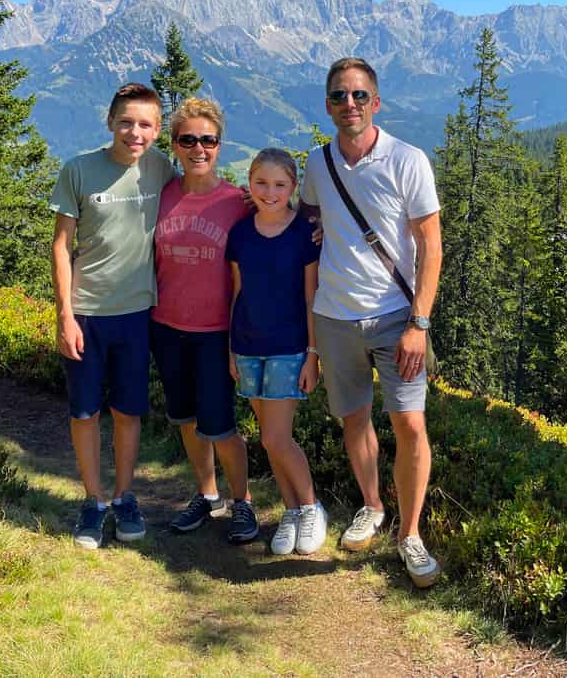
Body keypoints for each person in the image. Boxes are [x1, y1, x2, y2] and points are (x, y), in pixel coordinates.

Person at [299, 56, 444, 588]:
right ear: (328, 105)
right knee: (354, 421)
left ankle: (410, 536)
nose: (350, 105)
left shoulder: (408, 160)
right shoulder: (318, 164)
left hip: (395, 319)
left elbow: (431, 246)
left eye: (359, 95)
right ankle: (372, 506)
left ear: (376, 102)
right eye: (340, 96)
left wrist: (419, 322)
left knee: (410, 424)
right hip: (335, 319)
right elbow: (309, 224)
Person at [50, 82, 175, 550]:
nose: (134, 132)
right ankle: (92, 501)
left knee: (128, 411)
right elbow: (61, 246)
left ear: (158, 130)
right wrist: (65, 316)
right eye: (126, 122)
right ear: (110, 122)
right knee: (85, 412)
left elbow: (202, 192)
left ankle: (124, 497)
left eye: (145, 124)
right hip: (86, 313)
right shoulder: (79, 171)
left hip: (138, 314)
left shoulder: (161, 169)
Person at [151, 97, 258, 544]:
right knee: (185, 419)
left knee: (221, 425)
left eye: (207, 139)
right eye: (188, 139)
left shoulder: (238, 203)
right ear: (174, 144)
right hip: (166, 326)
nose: (198, 148)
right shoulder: (162, 196)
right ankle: (206, 493)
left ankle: (244, 501)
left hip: (216, 334)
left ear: (219, 144)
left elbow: (276, 231)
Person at [226, 148, 326, 555]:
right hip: (247, 347)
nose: (270, 192)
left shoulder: (304, 234)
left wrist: (313, 353)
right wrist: (231, 349)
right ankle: (290, 511)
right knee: (269, 441)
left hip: (289, 348)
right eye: (261, 183)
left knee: (276, 437)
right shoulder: (240, 233)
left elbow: (310, 297)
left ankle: (311, 506)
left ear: (293, 188)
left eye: (280, 184)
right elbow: (236, 292)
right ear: (250, 183)